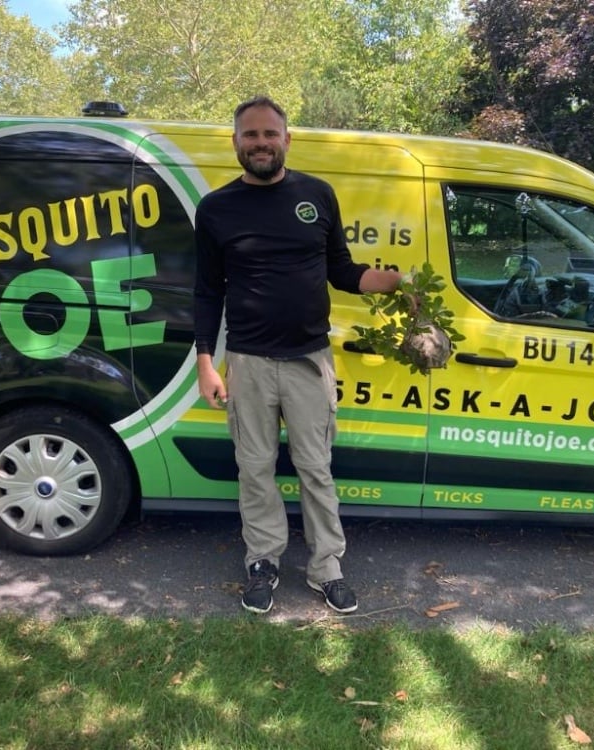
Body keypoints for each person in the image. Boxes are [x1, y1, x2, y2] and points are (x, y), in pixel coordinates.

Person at [193, 96, 405, 614]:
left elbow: (342, 271)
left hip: (309, 360)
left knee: (316, 468)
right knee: (255, 469)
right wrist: (205, 362)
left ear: (287, 139)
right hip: (248, 362)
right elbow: (207, 291)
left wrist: (398, 283)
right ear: (236, 142)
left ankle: (326, 567)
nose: (261, 143)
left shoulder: (317, 195)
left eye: (270, 134)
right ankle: (262, 562)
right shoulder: (216, 209)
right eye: (251, 135)